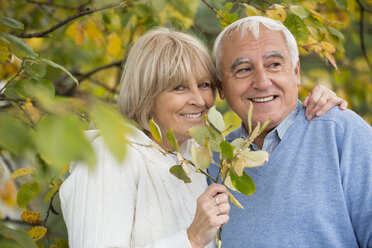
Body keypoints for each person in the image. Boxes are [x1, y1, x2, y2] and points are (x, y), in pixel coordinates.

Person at [59, 27, 346, 248]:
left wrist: (315, 105)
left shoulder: (200, 160)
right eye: (179, 88)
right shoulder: (108, 158)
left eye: (204, 85)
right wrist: (192, 238)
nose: (199, 100)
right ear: (147, 94)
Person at [208, 16, 372, 247]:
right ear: (221, 87)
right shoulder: (212, 162)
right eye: (244, 69)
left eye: (274, 64)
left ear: (296, 72)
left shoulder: (342, 134)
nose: (263, 82)